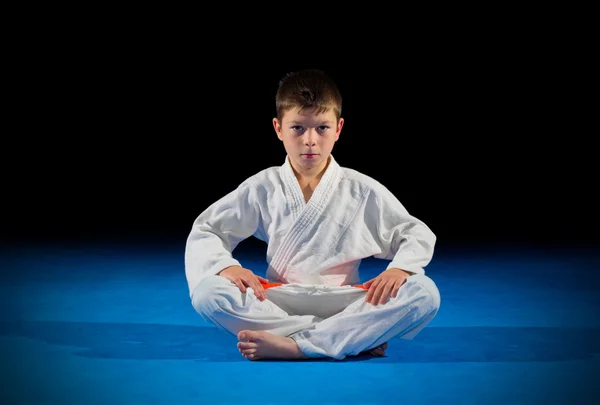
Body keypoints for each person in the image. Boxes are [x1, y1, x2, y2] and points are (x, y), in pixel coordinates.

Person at [184, 69, 440, 361]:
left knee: (423, 292)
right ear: (278, 128)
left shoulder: (361, 189)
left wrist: (399, 269)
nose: (310, 140)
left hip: (346, 301)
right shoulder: (263, 186)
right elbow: (208, 229)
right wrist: (225, 267)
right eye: (297, 128)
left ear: (339, 128)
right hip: (276, 298)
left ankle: (296, 345)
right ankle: (346, 338)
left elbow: (414, 233)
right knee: (209, 292)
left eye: (321, 128)